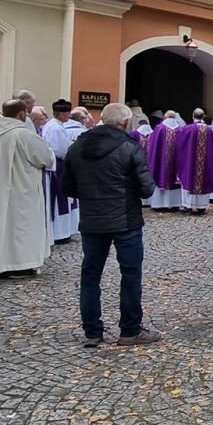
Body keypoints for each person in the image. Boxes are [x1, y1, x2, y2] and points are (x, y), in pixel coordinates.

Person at [62, 103, 161, 348]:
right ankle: (130, 330)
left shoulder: (77, 148)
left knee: (90, 275)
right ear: (126, 123)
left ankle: (92, 331)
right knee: (130, 274)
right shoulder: (130, 148)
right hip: (125, 219)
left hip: (92, 220)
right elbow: (147, 188)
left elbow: (67, 187)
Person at [0, 100, 56, 277]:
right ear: (22, 114)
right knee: (20, 226)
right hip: (21, 189)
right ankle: (21, 263)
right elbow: (45, 158)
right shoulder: (23, 134)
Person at [43, 100, 78, 243]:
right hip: (58, 165)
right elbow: (62, 150)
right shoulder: (55, 128)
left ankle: (63, 231)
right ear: (61, 114)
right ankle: (60, 233)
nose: (69, 116)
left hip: (58, 164)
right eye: (67, 113)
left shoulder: (54, 126)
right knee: (60, 199)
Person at [175, 109, 213, 216]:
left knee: (189, 178)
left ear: (193, 116)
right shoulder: (209, 130)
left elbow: (180, 144)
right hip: (204, 162)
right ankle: (201, 206)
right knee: (203, 180)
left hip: (190, 161)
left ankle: (189, 205)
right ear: (203, 117)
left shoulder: (188, 129)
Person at [146, 111, 186, 211]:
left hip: (161, 163)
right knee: (174, 180)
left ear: (165, 117)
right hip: (176, 164)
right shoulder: (180, 129)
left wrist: (152, 160)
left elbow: (153, 148)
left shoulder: (159, 128)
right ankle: (175, 204)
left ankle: (159, 205)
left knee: (161, 177)